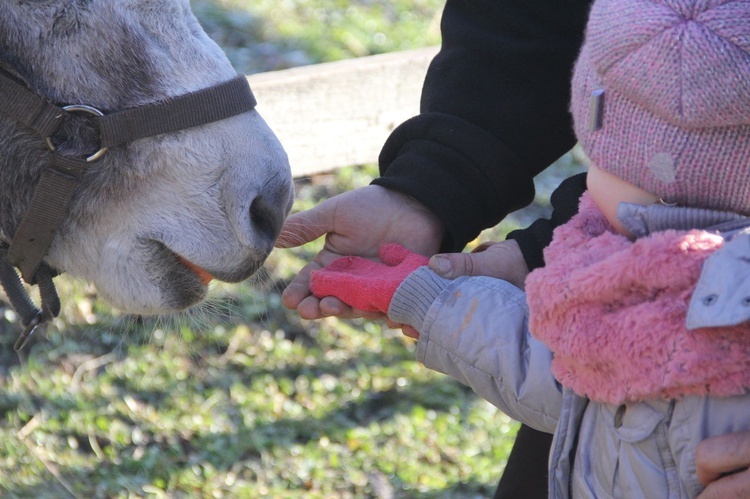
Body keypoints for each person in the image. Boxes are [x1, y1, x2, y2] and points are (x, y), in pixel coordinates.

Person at [276, 0, 750, 496]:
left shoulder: (655, 290)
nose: (590, 178)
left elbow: (552, 371)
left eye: (606, 160)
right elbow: (559, 365)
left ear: (667, 184)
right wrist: (432, 202)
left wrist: (429, 299)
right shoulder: (635, 272)